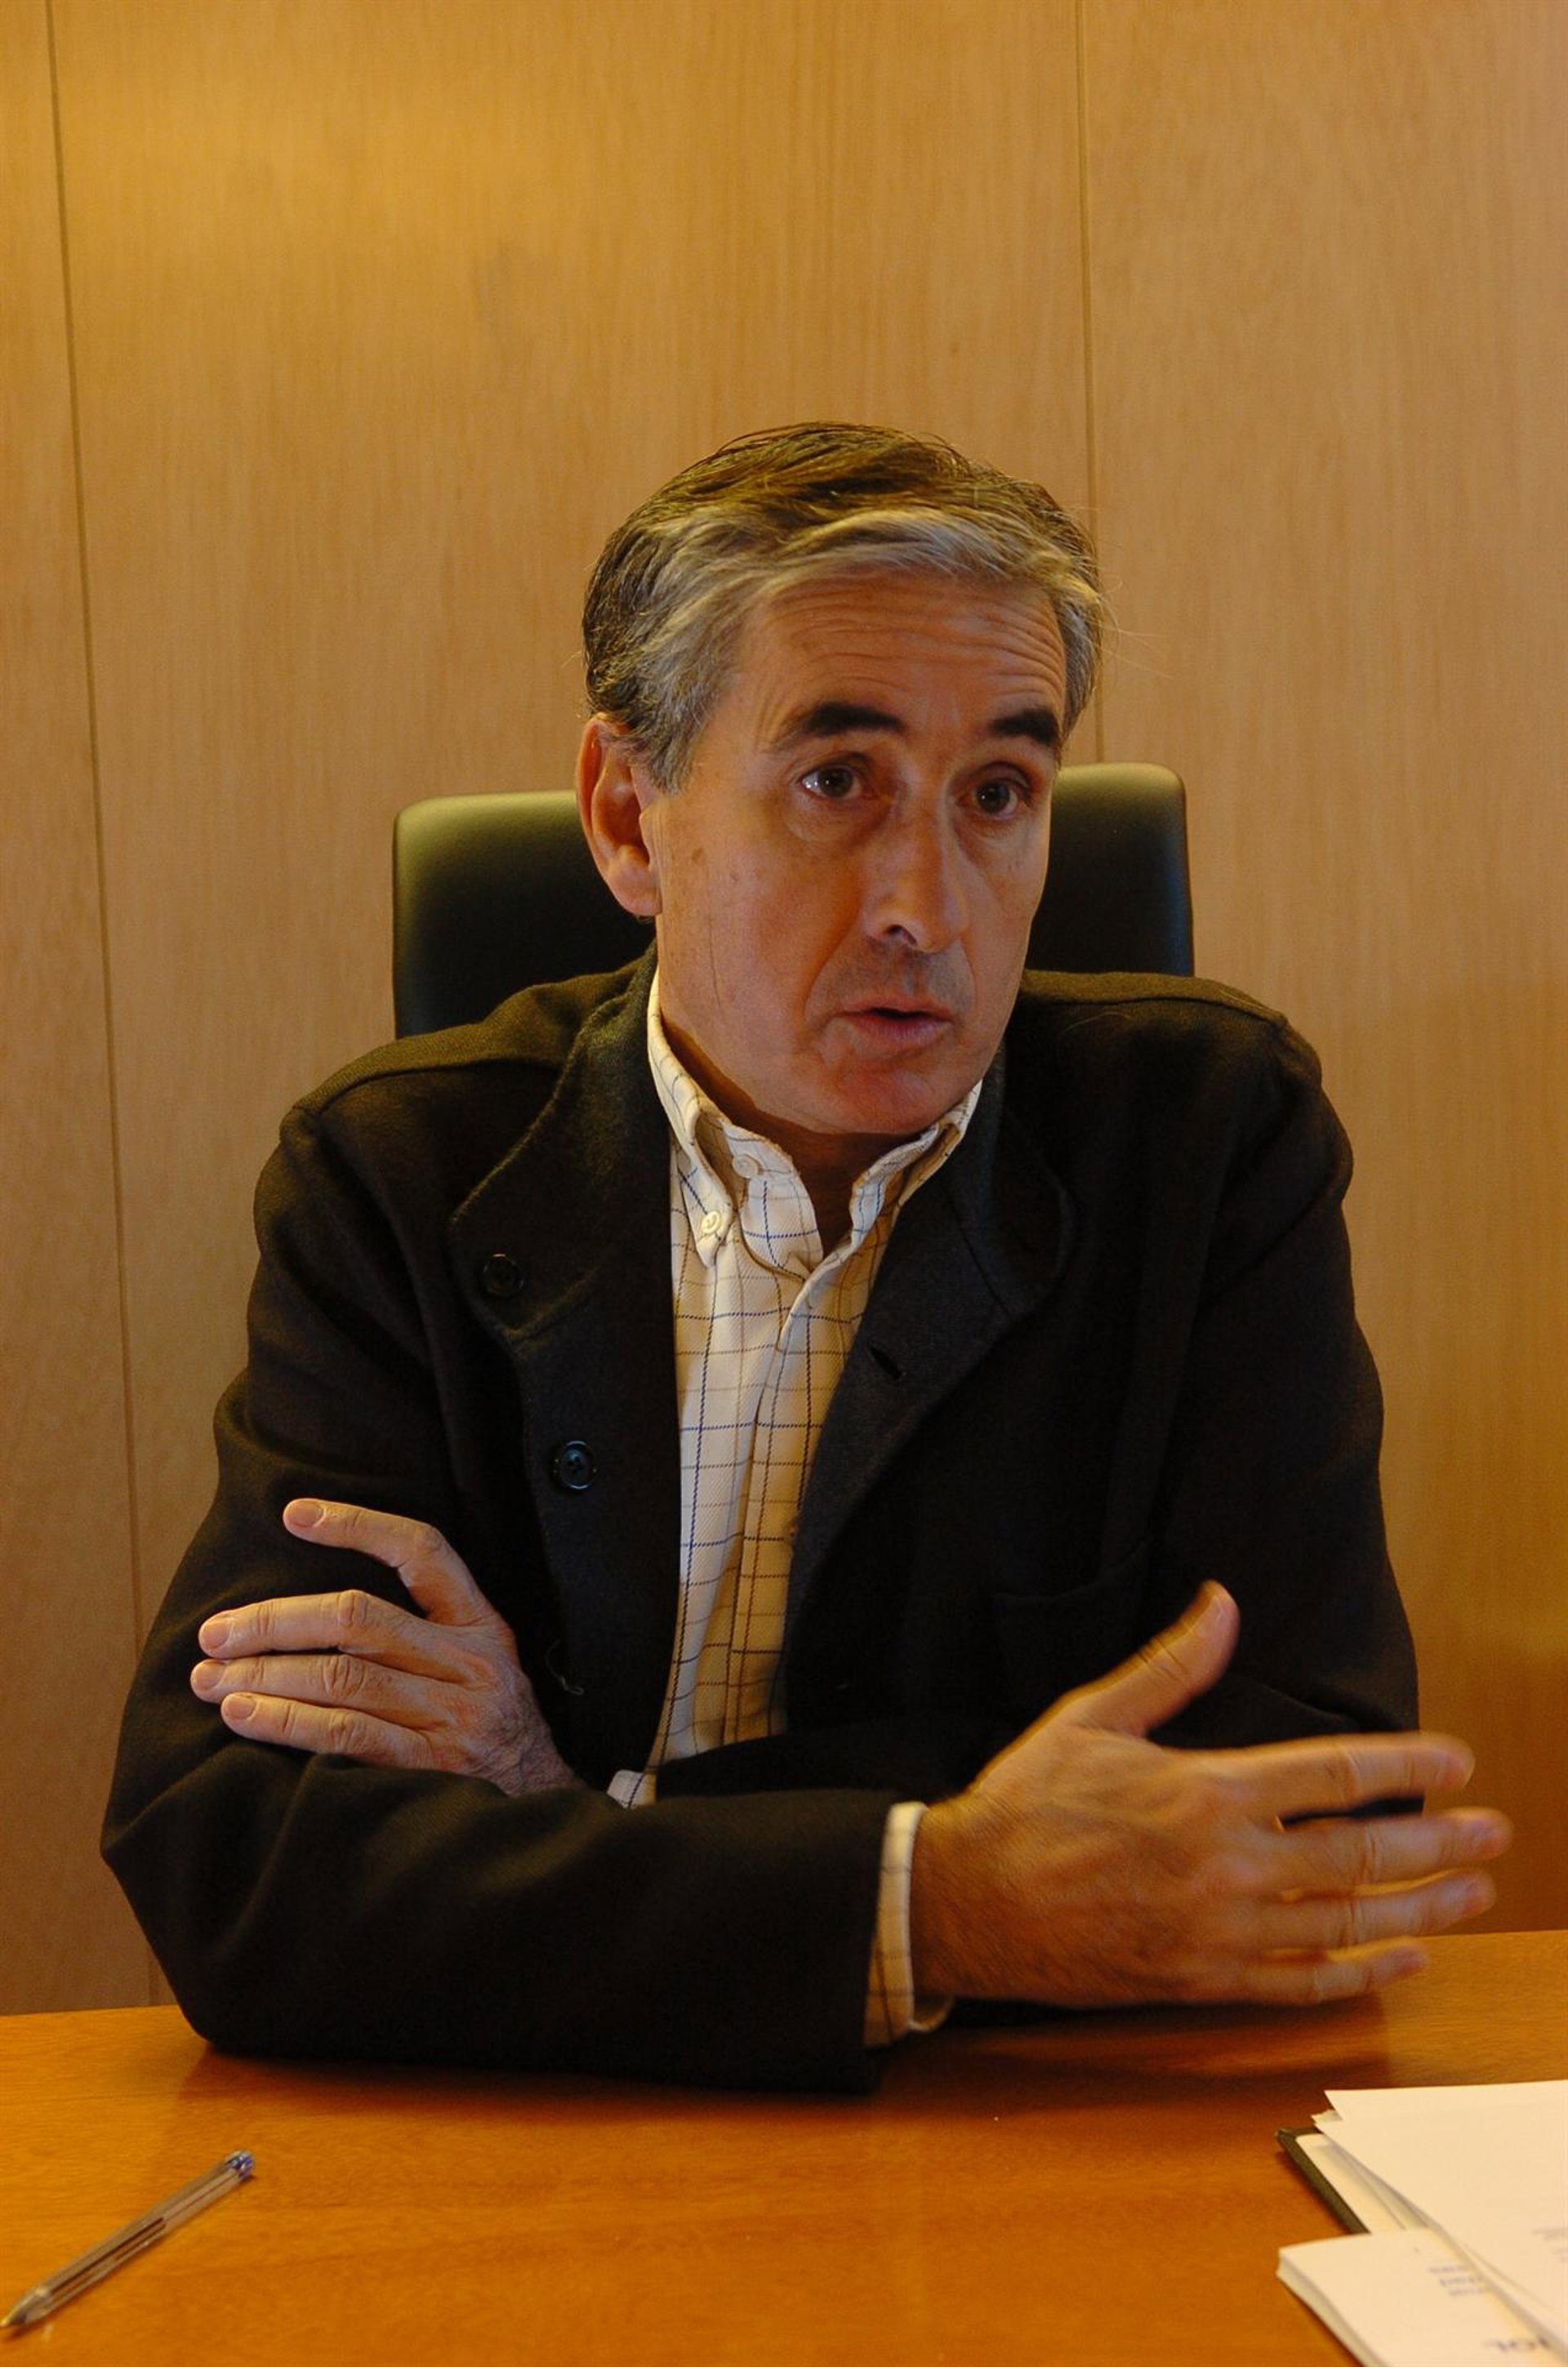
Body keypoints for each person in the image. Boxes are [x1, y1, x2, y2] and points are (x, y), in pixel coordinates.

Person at [104, 423, 1508, 2091]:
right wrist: (942, 1894)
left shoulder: (1206, 1145)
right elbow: (237, 1860)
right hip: (527, 2146)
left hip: (1038, 2139)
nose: (930, 902)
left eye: (999, 795)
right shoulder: (400, 1175)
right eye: (839, 782)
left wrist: (569, 1807)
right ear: (628, 818)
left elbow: (1302, 1803)